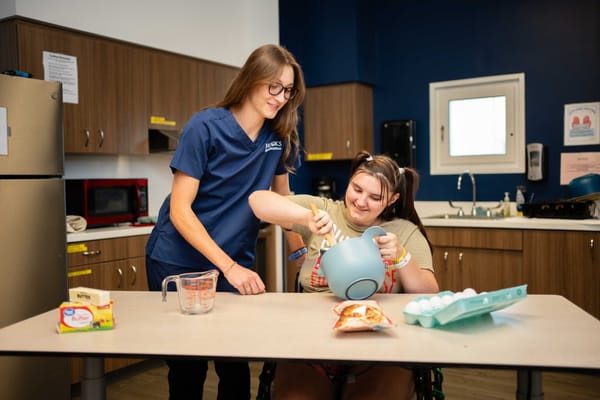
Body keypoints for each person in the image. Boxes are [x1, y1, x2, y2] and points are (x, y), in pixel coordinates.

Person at [145, 44, 306, 400]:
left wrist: (303, 257)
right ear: (251, 80)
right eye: (273, 87)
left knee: (235, 363)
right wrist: (230, 268)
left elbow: (283, 202)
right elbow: (180, 210)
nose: (281, 98)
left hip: (234, 260)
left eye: (288, 90)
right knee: (189, 367)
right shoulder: (204, 127)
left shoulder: (277, 138)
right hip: (180, 259)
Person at [249, 150, 439, 400]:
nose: (361, 201)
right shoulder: (323, 211)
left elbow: (428, 292)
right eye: (357, 189)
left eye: (374, 197)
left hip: (381, 347)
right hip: (313, 341)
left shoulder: (404, 232)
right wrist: (306, 218)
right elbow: (258, 201)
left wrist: (401, 256)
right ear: (349, 183)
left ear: (392, 200)